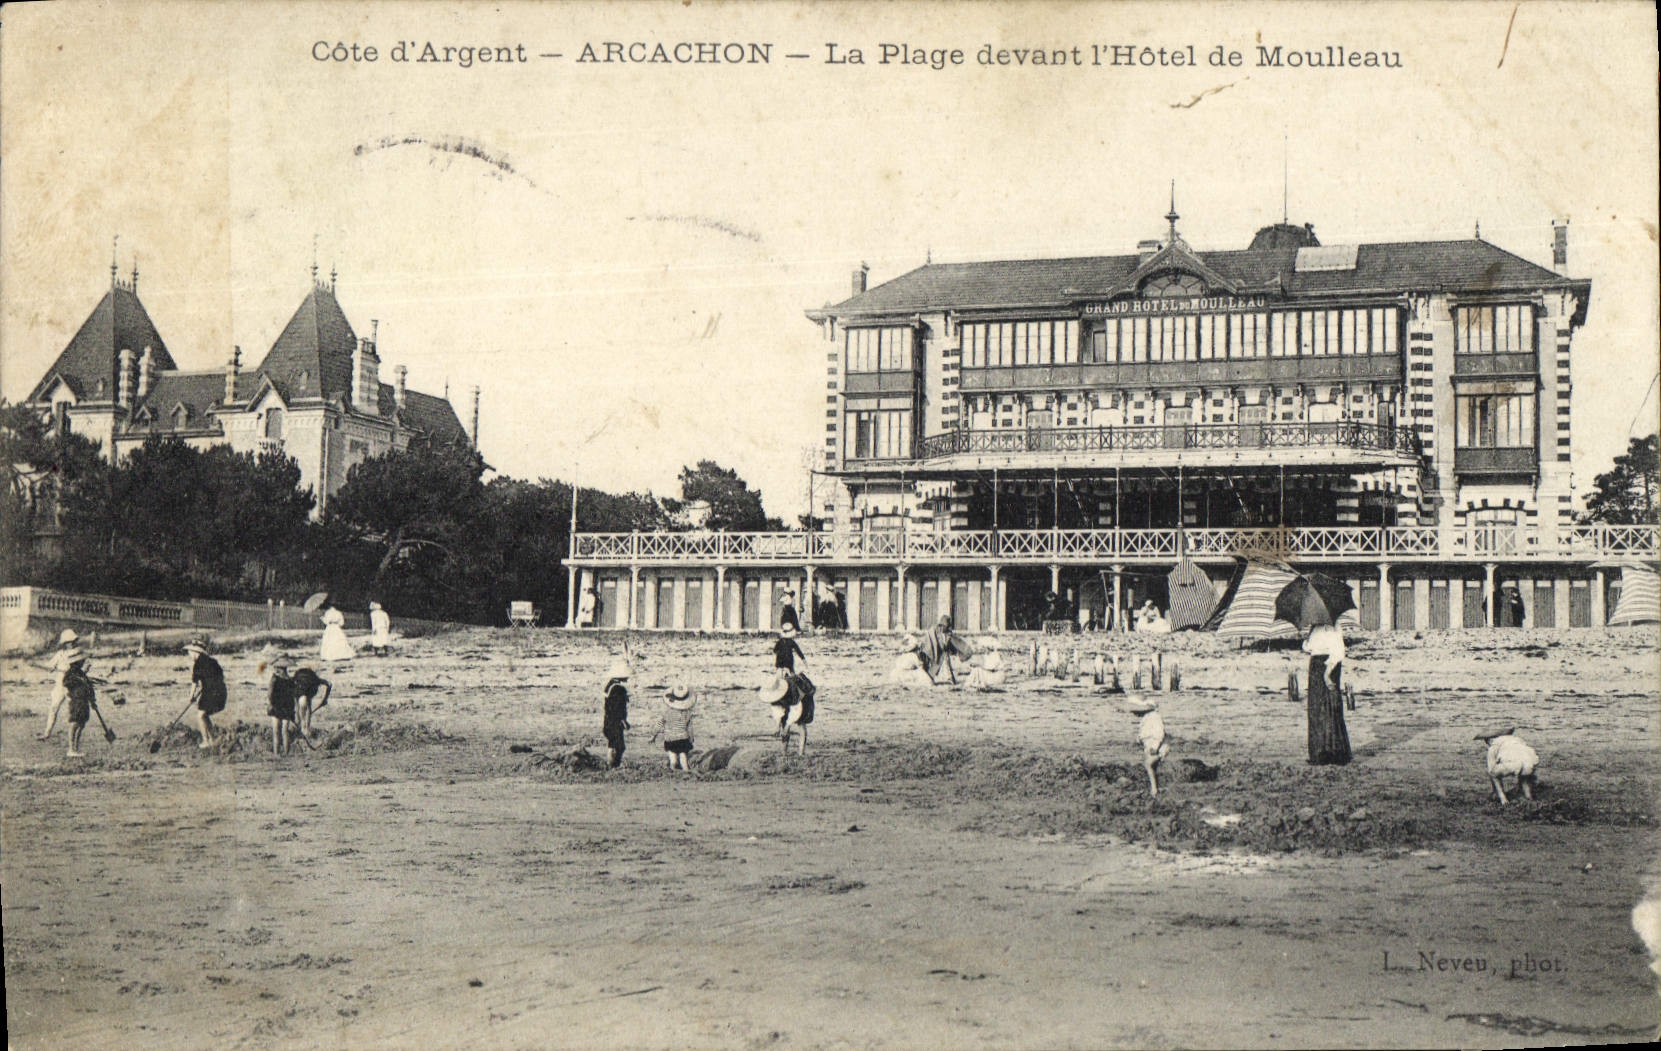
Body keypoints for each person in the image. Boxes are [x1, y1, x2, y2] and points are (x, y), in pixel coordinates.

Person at [37, 628, 85, 741]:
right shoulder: (60, 654)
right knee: (53, 708)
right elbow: (50, 667)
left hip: (73, 685)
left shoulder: (79, 652)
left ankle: (72, 740)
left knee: (73, 711)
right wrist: (39, 665)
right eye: (68, 642)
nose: (71, 644)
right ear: (64, 643)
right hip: (60, 685)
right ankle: (47, 733)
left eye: (72, 641)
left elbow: (84, 667)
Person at [60, 645, 103, 758]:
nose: (83, 662)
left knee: (82, 723)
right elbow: (66, 683)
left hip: (84, 701)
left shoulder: (81, 674)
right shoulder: (70, 674)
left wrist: (92, 700)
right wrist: (78, 679)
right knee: (75, 723)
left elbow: (89, 687)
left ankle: (76, 747)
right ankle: (71, 749)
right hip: (76, 702)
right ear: (76, 662)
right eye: (82, 661)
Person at [184, 636, 227, 749]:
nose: (189, 654)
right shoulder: (213, 661)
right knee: (204, 715)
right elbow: (220, 676)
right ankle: (213, 738)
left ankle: (206, 740)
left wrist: (191, 697)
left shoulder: (197, 664)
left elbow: (194, 683)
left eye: (189, 652)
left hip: (210, 692)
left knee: (200, 715)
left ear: (195, 652)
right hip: (221, 691)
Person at [759, 670, 814, 756]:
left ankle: (801, 752)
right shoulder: (773, 697)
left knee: (801, 723)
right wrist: (778, 725)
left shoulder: (793, 690)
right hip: (789, 701)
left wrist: (788, 725)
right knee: (783, 724)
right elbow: (777, 711)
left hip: (802, 698)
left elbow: (796, 710)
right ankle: (784, 752)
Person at [1126, 695, 1169, 796]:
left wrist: (1155, 746)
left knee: (1148, 764)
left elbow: (1159, 733)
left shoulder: (1154, 717)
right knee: (1152, 767)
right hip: (1149, 745)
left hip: (1157, 745)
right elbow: (1143, 733)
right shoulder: (1146, 718)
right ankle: (1155, 787)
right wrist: (1139, 739)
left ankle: (1154, 789)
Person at [917, 614, 969, 685]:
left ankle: (949, 679)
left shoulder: (948, 633)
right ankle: (931, 678)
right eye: (943, 626)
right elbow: (930, 641)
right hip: (935, 652)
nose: (944, 628)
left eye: (946, 627)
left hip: (943, 653)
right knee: (934, 666)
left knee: (946, 665)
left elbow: (951, 643)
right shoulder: (934, 631)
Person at [657, 684, 697, 771]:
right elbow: (690, 727)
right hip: (683, 738)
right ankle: (686, 770)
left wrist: (653, 736)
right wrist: (691, 738)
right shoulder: (687, 713)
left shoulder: (667, 712)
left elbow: (659, 724)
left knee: (673, 758)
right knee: (683, 757)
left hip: (670, 739)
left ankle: (673, 768)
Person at [602, 656, 632, 769]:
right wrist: (623, 720)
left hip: (608, 720)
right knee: (618, 746)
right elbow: (618, 707)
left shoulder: (610, 685)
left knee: (613, 743)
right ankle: (613, 765)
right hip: (615, 721)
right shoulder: (619, 689)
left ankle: (611, 765)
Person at [266, 655, 299, 756]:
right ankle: (286, 753)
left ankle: (276, 754)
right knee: (285, 731)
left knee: (276, 731)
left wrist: (270, 704)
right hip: (287, 707)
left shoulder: (274, 679)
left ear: (279, 668)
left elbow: (270, 694)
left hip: (276, 706)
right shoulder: (291, 680)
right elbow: (294, 696)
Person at [291, 664, 332, 739]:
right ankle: (305, 729)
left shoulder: (300, 679)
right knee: (306, 709)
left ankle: (301, 728)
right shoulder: (314, 679)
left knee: (299, 710)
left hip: (299, 693)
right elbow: (329, 684)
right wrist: (325, 699)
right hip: (304, 693)